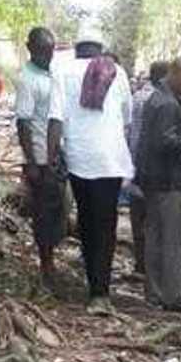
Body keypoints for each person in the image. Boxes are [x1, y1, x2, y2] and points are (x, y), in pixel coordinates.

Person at [47, 22, 134, 316]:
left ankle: (92, 285)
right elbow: (127, 116)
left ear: (77, 47)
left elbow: (55, 118)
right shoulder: (117, 72)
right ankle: (102, 293)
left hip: (80, 158)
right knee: (107, 223)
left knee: (87, 220)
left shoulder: (62, 70)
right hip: (110, 159)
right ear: (100, 47)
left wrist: (51, 158)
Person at [135, 57, 181, 313]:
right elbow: (164, 142)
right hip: (170, 182)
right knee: (174, 241)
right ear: (172, 74)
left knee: (157, 238)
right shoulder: (166, 104)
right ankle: (172, 297)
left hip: (158, 182)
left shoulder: (164, 98)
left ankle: (155, 294)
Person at [15, 27, 67, 292]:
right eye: (43, 50)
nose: (48, 55)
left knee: (57, 210)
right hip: (39, 157)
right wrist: (32, 163)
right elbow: (23, 122)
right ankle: (46, 265)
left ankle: (52, 260)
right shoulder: (27, 79)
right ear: (30, 48)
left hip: (54, 156)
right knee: (44, 213)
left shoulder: (50, 74)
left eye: (51, 50)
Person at [127, 60, 168, 275]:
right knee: (154, 218)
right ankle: (151, 264)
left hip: (134, 164)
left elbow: (129, 130)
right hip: (152, 169)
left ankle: (141, 262)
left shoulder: (137, 96)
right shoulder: (158, 100)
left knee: (138, 217)